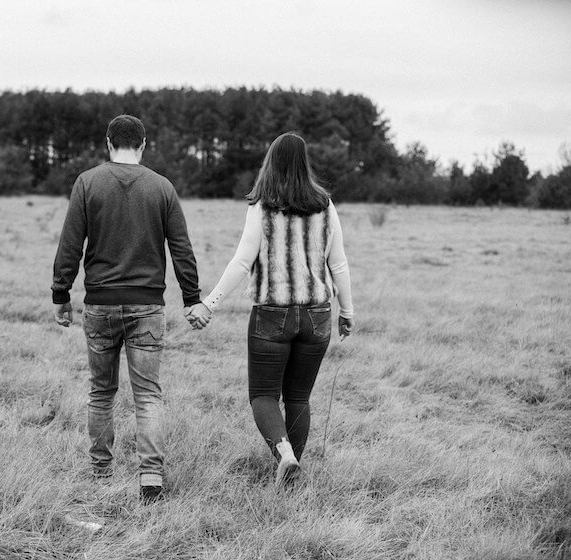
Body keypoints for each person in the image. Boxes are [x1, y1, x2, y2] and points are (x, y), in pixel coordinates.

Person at [51, 114, 208, 503]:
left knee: (101, 391)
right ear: (143, 144)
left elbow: (70, 244)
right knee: (148, 395)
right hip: (147, 307)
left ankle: (101, 469)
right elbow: (182, 249)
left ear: (108, 142)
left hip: (100, 306)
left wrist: (61, 294)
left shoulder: (87, 183)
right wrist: (191, 298)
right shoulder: (162, 187)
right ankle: (151, 475)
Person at [194, 132, 354, 486]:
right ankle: (292, 470)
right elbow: (338, 264)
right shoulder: (325, 204)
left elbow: (241, 262)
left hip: (272, 314)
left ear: (271, 161)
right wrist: (347, 311)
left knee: (264, 395)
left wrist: (210, 302)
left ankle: (284, 455)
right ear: (304, 163)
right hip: (317, 315)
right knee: (299, 397)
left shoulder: (262, 206)